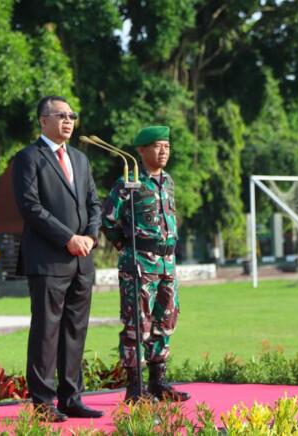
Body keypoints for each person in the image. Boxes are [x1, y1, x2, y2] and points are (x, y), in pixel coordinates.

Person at [12, 96, 103, 422]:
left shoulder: (79, 159)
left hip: (82, 260)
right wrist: (68, 238)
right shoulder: (28, 158)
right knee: (46, 332)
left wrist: (91, 236)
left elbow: (94, 203)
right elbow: (30, 207)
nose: (68, 121)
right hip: (49, 260)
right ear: (43, 120)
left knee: (75, 332)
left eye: (72, 116)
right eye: (61, 115)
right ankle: (42, 401)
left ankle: (71, 397)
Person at [101, 125, 190, 403]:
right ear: (141, 151)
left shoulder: (168, 181)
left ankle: (157, 383)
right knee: (137, 325)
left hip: (167, 264)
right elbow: (108, 220)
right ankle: (135, 388)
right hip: (139, 265)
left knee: (166, 321)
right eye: (157, 146)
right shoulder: (129, 183)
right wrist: (125, 248)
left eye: (166, 146)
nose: (163, 151)